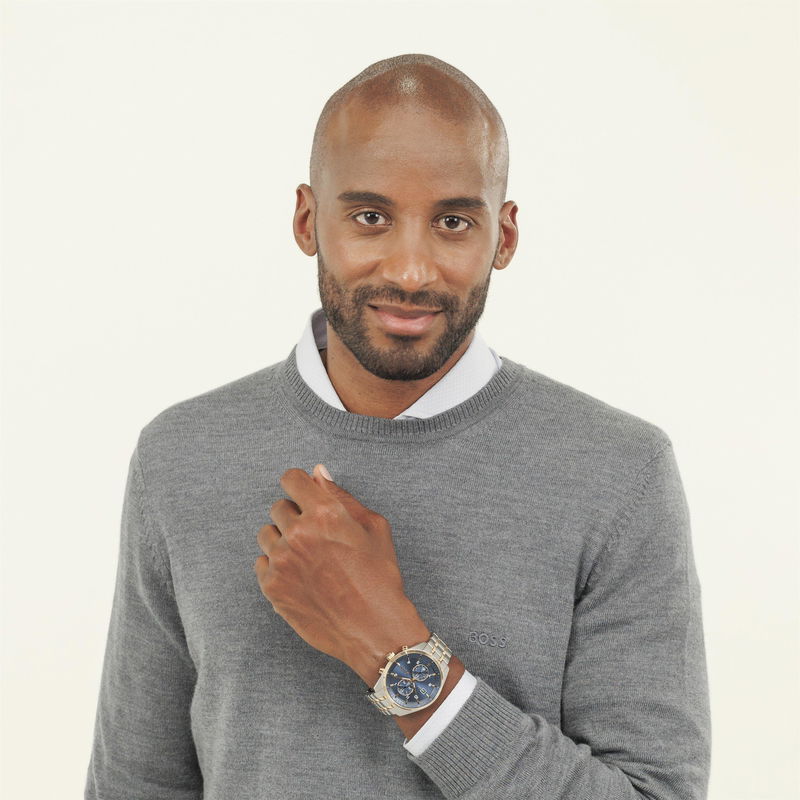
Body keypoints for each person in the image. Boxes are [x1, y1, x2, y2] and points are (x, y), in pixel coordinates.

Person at [85, 53, 711, 799]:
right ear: (307, 220)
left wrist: (392, 649)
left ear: (504, 236)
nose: (411, 272)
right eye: (370, 218)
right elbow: (136, 784)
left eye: (452, 222)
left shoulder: (619, 473)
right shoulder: (182, 457)